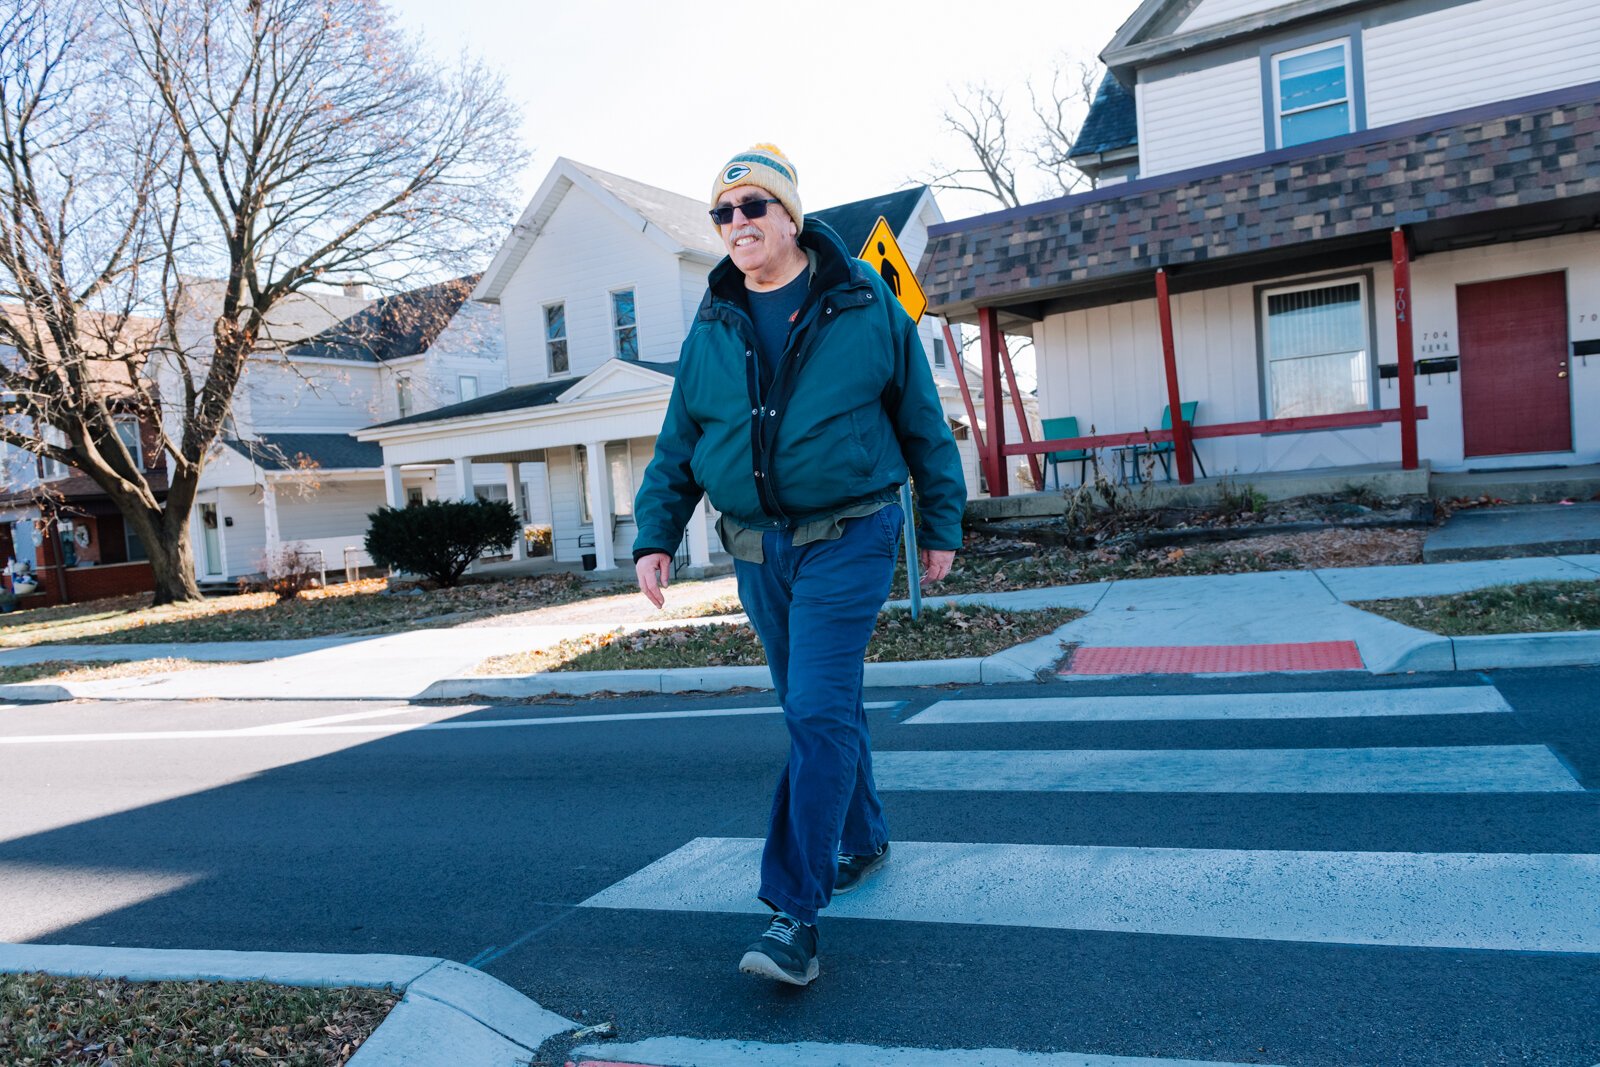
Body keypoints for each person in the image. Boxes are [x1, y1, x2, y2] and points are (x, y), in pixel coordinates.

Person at [632, 144, 966, 986]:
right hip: (756, 547)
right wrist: (654, 535)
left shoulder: (863, 303)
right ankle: (864, 836)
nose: (736, 224)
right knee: (820, 706)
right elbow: (681, 444)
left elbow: (921, 417)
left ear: (790, 215)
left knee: (815, 708)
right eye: (724, 212)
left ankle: (794, 914)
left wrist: (942, 518)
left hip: (851, 531)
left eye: (752, 207)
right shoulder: (713, 325)